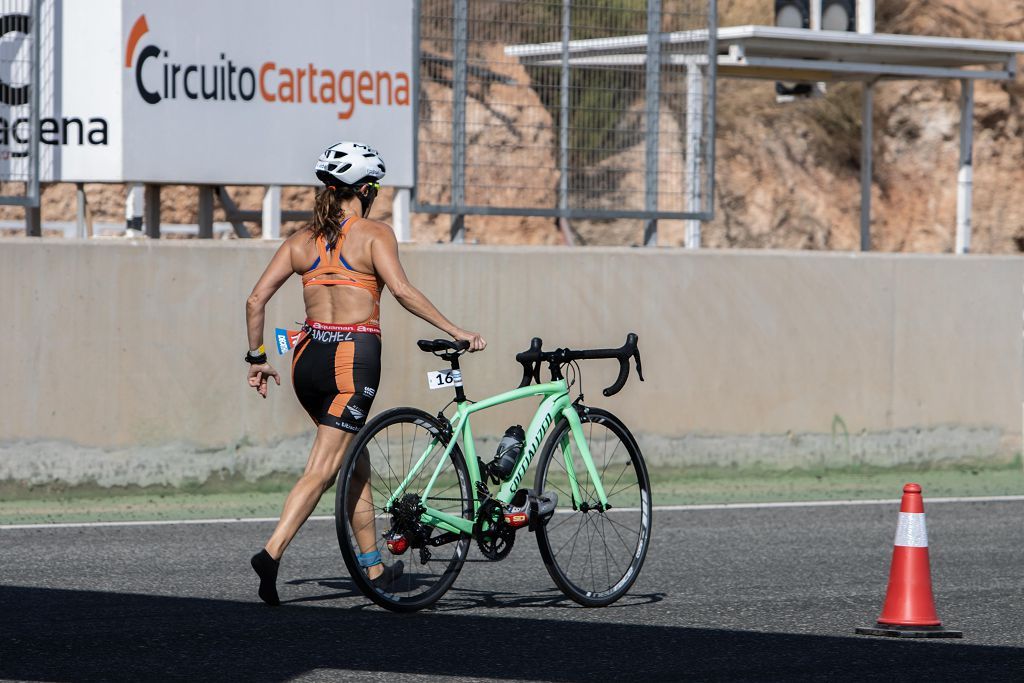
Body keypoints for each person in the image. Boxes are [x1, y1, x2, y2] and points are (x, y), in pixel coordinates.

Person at [244, 141, 486, 606]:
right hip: (351, 359)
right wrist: (455, 329)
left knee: (355, 461)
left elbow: (255, 300)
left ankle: (373, 565)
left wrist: (256, 357)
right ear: (367, 190)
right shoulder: (375, 233)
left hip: (306, 357)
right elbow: (402, 291)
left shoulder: (299, 241)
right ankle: (271, 552)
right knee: (324, 467)